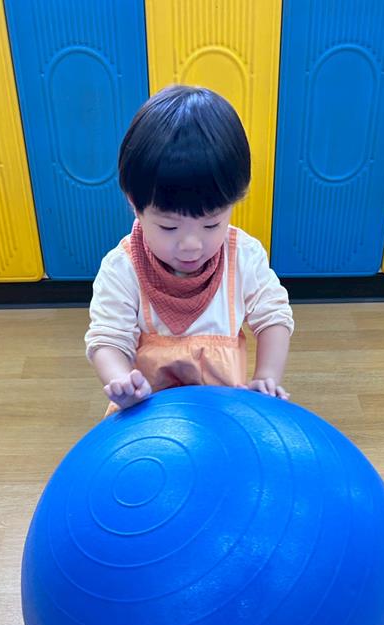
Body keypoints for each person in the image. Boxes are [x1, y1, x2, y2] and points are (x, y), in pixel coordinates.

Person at [84, 85, 294, 413]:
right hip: (148, 419)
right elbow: (108, 339)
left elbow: (274, 317)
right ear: (135, 205)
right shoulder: (123, 268)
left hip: (222, 415)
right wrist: (122, 381)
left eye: (212, 224)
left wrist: (266, 377)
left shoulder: (243, 257)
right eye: (169, 227)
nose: (191, 245)